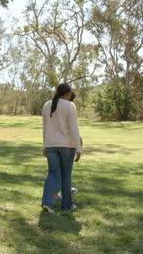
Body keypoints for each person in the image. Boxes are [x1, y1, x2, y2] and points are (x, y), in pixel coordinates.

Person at [41, 83, 82, 213]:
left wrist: (45, 145)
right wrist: (78, 148)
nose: (70, 95)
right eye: (70, 93)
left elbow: (45, 128)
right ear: (66, 94)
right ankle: (67, 206)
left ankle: (47, 203)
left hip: (51, 145)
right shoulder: (70, 106)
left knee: (52, 174)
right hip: (66, 146)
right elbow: (74, 129)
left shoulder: (47, 105)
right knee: (66, 176)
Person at [54, 91, 81, 200]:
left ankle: (65, 190)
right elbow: (71, 128)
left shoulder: (59, 106)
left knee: (63, 170)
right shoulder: (67, 107)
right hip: (65, 144)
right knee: (62, 170)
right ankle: (56, 194)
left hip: (58, 143)